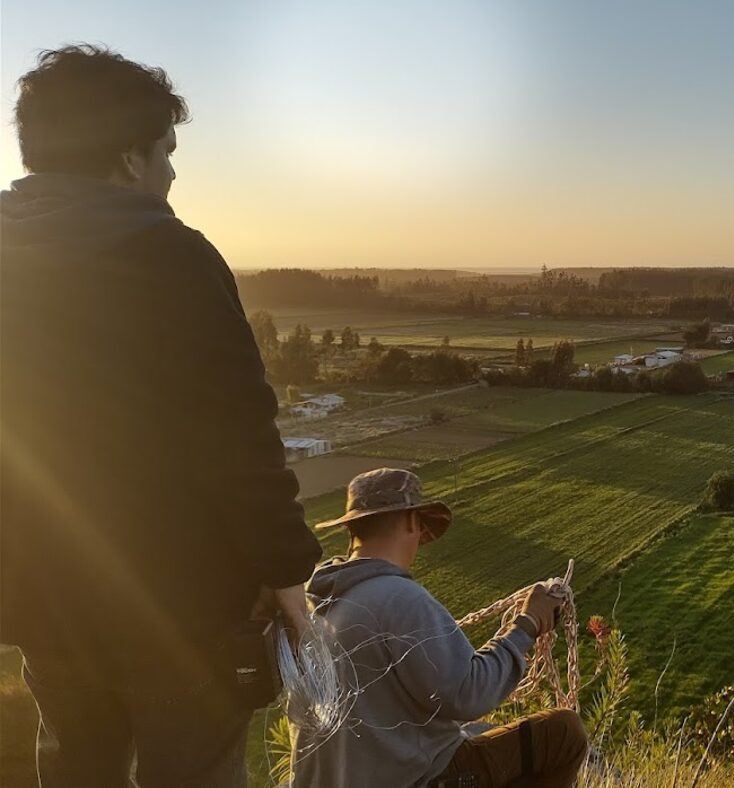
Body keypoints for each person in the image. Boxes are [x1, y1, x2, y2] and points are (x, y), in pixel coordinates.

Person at [0, 45, 322, 786]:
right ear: (126, 157)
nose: (172, 174)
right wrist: (285, 573)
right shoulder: (171, 258)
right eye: (166, 151)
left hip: (47, 606)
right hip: (181, 613)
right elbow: (239, 436)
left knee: (76, 769)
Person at [293, 468, 588, 788]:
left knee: (481, 733)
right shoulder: (398, 597)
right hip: (410, 779)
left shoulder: (315, 606)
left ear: (351, 528)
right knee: (562, 733)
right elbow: (468, 693)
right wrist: (527, 624)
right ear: (411, 521)